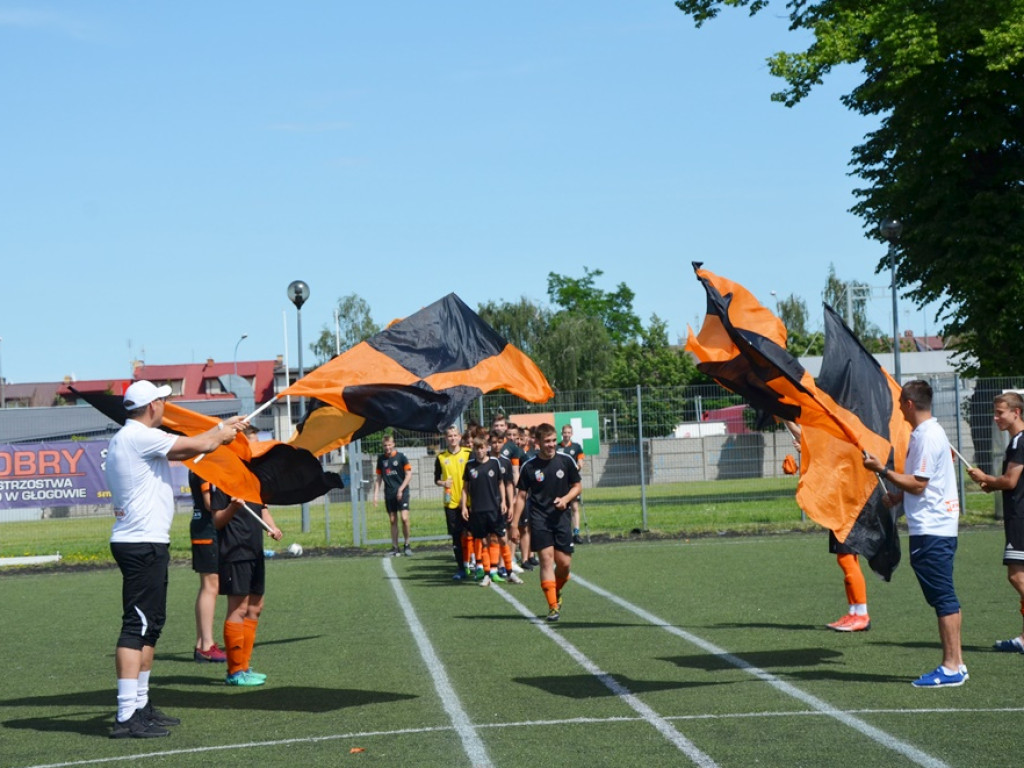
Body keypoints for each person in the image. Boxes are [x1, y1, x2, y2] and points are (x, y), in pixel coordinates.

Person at [106, 380, 244, 738]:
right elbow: (197, 445)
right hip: (141, 544)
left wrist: (222, 429)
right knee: (137, 627)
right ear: (152, 406)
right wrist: (221, 432)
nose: (166, 406)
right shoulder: (140, 436)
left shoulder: (132, 436)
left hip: (146, 542)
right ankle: (126, 715)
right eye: (163, 401)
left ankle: (140, 705)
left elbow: (195, 445)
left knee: (150, 625)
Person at [863, 379, 966, 687]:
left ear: (909, 404)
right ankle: (956, 663)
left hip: (933, 529)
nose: (899, 411)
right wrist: (898, 497)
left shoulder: (927, 436)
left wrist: (882, 470)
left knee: (943, 596)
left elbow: (919, 484)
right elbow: (924, 483)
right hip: (933, 526)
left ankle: (952, 666)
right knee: (942, 596)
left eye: (900, 405)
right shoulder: (927, 433)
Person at [784, 421, 871, 633]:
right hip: (843, 506)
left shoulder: (844, 440)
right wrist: (807, 447)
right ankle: (854, 612)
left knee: (846, 558)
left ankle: (861, 614)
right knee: (847, 559)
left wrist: (785, 418)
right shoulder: (841, 440)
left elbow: (812, 441)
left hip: (848, 508)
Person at [215, 426, 284, 687]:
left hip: (255, 550)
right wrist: (233, 507)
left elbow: (262, 508)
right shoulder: (222, 477)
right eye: (251, 445)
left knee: (256, 607)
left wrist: (272, 527)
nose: (255, 451)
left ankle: (244, 666)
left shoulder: (253, 477)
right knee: (239, 608)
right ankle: (234, 672)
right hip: (235, 551)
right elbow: (217, 521)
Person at [966, 391, 1024, 653]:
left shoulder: (1020, 441)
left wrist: (986, 478)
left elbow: (1010, 481)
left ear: (1016, 412)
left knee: (1017, 576)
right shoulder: (1015, 442)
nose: (995, 417)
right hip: (1017, 515)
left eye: (1000, 412)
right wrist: (992, 484)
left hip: (1020, 517)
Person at [510, 423, 582, 621]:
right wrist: (514, 525)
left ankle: (556, 590)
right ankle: (553, 607)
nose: (551, 445)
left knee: (564, 564)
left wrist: (566, 499)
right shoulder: (529, 466)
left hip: (561, 518)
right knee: (546, 560)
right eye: (547, 441)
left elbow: (577, 486)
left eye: (553, 441)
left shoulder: (566, 461)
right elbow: (521, 497)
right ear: (538, 442)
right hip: (539, 519)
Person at [188, 471, 227, 662]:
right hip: (206, 530)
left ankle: (201, 643)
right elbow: (210, 503)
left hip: (205, 528)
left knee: (209, 586)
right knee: (211, 586)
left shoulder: (202, 463)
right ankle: (206, 646)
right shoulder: (204, 465)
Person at [462, 435, 511, 587]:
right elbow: (465, 488)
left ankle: (506, 571)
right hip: (477, 510)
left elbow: (501, 483)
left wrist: (503, 501)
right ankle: (487, 573)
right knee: (483, 541)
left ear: (486, 448)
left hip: (493, 508)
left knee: (497, 538)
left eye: (482, 448)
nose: (479, 451)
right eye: (477, 448)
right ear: (474, 449)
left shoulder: (494, 463)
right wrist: (464, 506)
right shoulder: (469, 466)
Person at [434, 425, 472, 579]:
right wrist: (443, 483)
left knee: (472, 533)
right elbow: (436, 479)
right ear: (446, 438)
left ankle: (474, 563)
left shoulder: (468, 453)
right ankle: (461, 568)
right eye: (450, 436)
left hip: (468, 501)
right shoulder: (441, 457)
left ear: (460, 437)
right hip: (450, 502)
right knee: (456, 536)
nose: (453, 438)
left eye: (455, 435)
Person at [373, 434, 414, 556]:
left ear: (393, 444)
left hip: (402, 492)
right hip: (389, 493)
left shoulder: (401, 457)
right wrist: (375, 495)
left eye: (389, 445)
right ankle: (395, 547)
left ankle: (407, 544)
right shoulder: (381, 460)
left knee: (404, 518)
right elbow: (379, 478)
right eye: (385, 445)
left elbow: (409, 475)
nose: (387, 447)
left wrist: (401, 489)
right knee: (392, 520)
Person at [557, 424, 586, 544]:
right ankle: (564, 532)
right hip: (560, 482)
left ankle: (576, 533)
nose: (566, 435)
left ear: (572, 434)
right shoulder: (557, 447)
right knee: (562, 506)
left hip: (572, 482)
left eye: (569, 433)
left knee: (574, 507)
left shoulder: (577, 447)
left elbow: (580, 463)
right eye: (565, 432)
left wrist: (574, 469)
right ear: (562, 433)